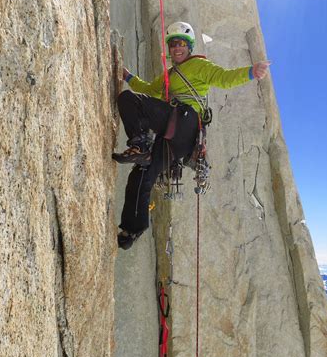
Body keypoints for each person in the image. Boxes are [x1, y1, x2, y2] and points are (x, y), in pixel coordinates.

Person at [113, 21, 269, 249]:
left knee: (128, 100)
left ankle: (141, 146)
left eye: (182, 44)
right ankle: (132, 230)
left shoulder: (199, 66)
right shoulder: (170, 75)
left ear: (190, 46)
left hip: (184, 122)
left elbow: (224, 78)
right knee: (142, 173)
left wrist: (250, 72)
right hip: (179, 141)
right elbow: (148, 90)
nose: (177, 48)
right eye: (174, 44)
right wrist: (127, 77)